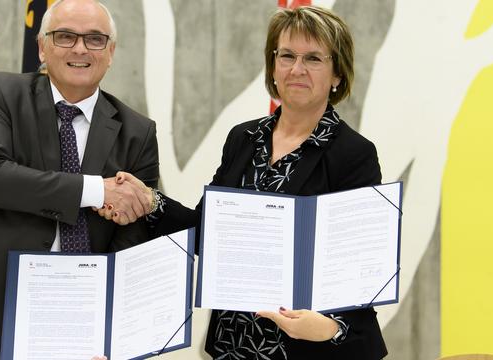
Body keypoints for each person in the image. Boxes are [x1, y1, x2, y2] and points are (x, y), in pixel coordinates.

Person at [100, 5, 388, 360]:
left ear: (337, 74)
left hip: (304, 346)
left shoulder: (353, 154)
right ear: (273, 66)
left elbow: (359, 267)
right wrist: (150, 201)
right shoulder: (244, 138)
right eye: (287, 56)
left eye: (313, 58)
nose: (297, 69)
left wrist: (329, 327)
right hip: (232, 343)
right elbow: (209, 235)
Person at [0, 1, 156, 359]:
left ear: (111, 52)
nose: (80, 48)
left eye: (95, 39)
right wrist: (96, 190)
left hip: (81, 321)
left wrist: (113, 329)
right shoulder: (0, 93)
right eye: (65, 36)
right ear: (42, 47)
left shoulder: (137, 131)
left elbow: (133, 234)